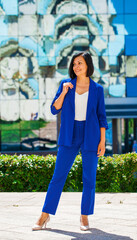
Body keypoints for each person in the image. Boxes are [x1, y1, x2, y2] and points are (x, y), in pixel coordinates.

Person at [32, 51, 108, 231]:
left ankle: (84, 217)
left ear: (88, 65)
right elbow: (54, 109)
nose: (76, 67)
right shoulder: (66, 85)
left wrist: (102, 141)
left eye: (80, 63)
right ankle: (44, 215)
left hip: (91, 135)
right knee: (58, 176)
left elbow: (101, 117)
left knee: (89, 178)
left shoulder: (97, 89)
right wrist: (64, 92)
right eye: (74, 64)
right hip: (69, 134)